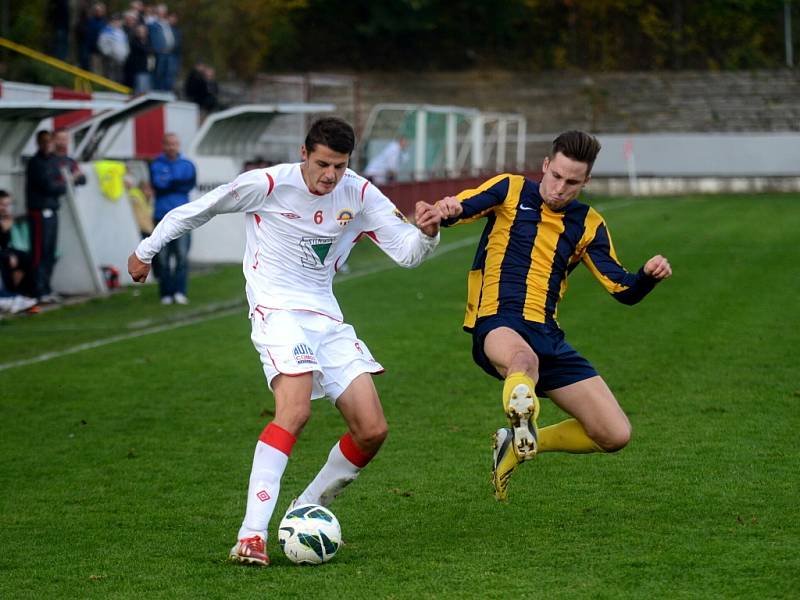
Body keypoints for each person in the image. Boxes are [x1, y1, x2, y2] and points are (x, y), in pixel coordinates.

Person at [128, 117, 444, 566]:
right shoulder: (269, 183)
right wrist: (146, 250)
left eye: (339, 166)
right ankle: (251, 535)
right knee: (294, 410)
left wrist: (429, 233)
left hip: (326, 318)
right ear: (303, 153)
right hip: (275, 311)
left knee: (372, 430)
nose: (330, 175)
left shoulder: (359, 192)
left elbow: (408, 253)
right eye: (322, 164)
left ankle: (305, 507)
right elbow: (203, 207)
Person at [431, 130, 672, 501]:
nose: (560, 188)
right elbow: (464, 205)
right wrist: (446, 210)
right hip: (498, 321)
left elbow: (622, 289)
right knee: (522, 360)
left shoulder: (589, 224)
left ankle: (517, 442)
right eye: (556, 176)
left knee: (614, 433)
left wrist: (647, 276)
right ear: (545, 166)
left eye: (572, 182)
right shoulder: (511, 189)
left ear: (586, 181)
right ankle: (523, 411)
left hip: (548, 334)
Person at [149, 132, 196, 305]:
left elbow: (188, 184)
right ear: (163, 146)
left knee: (182, 256)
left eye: (174, 144)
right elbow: (159, 186)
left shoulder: (187, 164)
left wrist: (169, 182)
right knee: (162, 257)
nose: (171, 147)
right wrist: (175, 183)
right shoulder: (156, 164)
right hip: (161, 216)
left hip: (183, 217)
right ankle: (166, 293)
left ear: (179, 145)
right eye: (168, 144)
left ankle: (180, 291)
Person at [25, 130, 67, 304]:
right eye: (44, 142)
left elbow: (60, 184)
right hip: (39, 212)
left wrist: (58, 185)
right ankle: (38, 289)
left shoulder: (53, 161)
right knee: (39, 252)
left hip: (52, 211)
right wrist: (59, 185)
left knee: (50, 251)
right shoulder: (35, 163)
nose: (48, 145)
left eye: (49, 141)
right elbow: (49, 186)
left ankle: (46, 287)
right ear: (39, 143)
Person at [0, 190, 37, 314]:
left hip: (4, 250)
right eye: (2, 205)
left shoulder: (5, 217)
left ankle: (26, 294)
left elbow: (5, 243)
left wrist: (6, 230)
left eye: (7, 205)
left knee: (25, 257)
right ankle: (11, 297)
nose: (5, 208)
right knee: (6, 260)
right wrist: (4, 231)